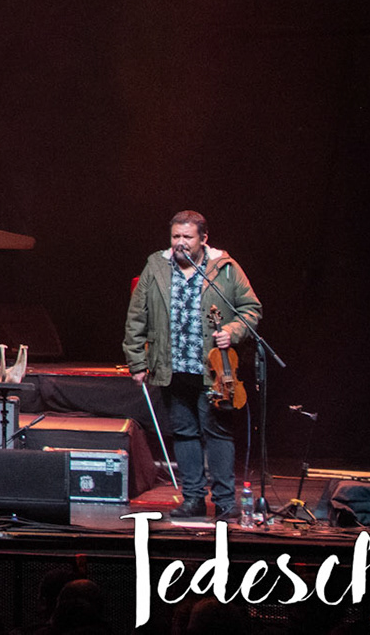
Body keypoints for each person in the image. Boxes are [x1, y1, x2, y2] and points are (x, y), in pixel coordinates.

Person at [122, 210, 262, 519]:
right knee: (184, 433)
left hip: (213, 370)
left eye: (187, 237)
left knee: (217, 433)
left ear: (203, 239)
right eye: (176, 236)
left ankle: (225, 502)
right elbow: (137, 316)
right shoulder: (156, 266)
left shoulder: (225, 268)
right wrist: (137, 361)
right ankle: (193, 499)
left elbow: (250, 309)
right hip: (172, 368)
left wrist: (232, 331)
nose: (180, 243)